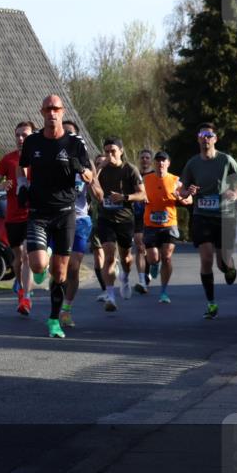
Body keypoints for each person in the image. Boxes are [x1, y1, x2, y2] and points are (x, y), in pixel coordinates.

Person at [17, 95, 93, 338]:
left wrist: (81, 169)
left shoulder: (75, 143)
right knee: (38, 264)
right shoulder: (32, 142)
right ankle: (41, 264)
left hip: (65, 213)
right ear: (42, 112)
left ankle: (53, 320)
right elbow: (22, 166)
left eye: (56, 109)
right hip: (38, 212)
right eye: (48, 109)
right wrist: (21, 186)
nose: (52, 113)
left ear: (62, 111)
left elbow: (90, 175)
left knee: (60, 274)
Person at [178, 122, 237, 319]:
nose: (205, 138)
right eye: (202, 135)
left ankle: (230, 266)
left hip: (224, 216)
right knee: (207, 258)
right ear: (198, 138)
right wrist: (188, 192)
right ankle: (211, 303)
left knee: (222, 263)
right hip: (201, 215)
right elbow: (182, 191)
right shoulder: (193, 163)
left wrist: (235, 192)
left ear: (215, 139)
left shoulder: (226, 160)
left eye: (209, 135)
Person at [92, 137, 145, 312]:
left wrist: (124, 198)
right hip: (105, 219)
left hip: (124, 219)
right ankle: (111, 296)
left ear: (121, 151)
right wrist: (99, 167)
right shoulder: (102, 169)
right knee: (108, 257)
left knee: (126, 258)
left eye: (113, 151)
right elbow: (92, 184)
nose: (109, 155)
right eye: (106, 151)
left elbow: (142, 195)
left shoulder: (130, 169)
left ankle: (125, 277)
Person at [0, 120, 36, 316]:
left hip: (33, 215)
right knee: (17, 259)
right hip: (13, 217)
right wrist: (3, 186)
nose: (20, 139)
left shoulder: (39, 158)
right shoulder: (8, 159)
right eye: (18, 135)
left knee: (27, 256)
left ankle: (25, 297)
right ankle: (20, 285)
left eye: (24, 135)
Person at [58, 129, 97, 329]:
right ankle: (55, 306)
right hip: (57, 218)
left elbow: (99, 194)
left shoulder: (87, 165)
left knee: (72, 267)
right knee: (57, 269)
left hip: (80, 219)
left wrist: (84, 174)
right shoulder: (53, 160)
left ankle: (66, 309)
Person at [142, 151, 191, 304]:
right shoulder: (145, 179)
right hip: (150, 225)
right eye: (158, 161)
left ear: (168, 164)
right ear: (154, 164)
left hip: (169, 224)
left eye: (164, 161)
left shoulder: (176, 180)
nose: (161, 164)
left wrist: (180, 197)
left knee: (167, 258)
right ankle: (154, 265)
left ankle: (163, 292)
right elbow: (137, 193)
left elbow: (189, 200)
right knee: (153, 258)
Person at [131, 149, 154, 294]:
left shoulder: (155, 175)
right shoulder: (134, 174)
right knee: (140, 245)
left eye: (147, 158)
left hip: (153, 214)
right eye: (142, 157)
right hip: (138, 214)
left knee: (151, 250)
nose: (144, 160)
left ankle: (149, 271)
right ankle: (142, 280)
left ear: (151, 160)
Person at [89, 153, 109, 302]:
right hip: (96, 220)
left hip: (113, 220)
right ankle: (104, 289)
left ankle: (112, 274)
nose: (101, 165)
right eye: (98, 163)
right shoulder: (92, 180)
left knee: (110, 256)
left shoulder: (113, 177)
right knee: (98, 256)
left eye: (103, 163)